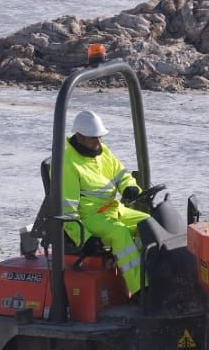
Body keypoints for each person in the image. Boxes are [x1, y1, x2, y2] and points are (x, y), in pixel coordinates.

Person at [60, 110, 148, 300]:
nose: (99, 143)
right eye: (94, 139)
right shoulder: (68, 164)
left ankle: (149, 276)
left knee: (148, 224)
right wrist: (85, 238)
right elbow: (66, 209)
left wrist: (129, 187)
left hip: (112, 209)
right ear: (80, 137)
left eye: (100, 137)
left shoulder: (102, 151)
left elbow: (121, 174)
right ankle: (140, 291)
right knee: (120, 233)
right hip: (89, 217)